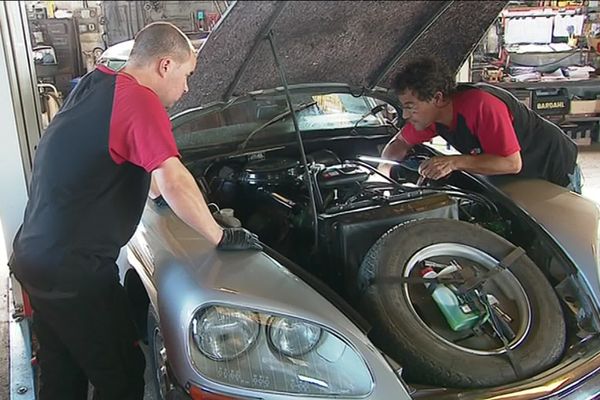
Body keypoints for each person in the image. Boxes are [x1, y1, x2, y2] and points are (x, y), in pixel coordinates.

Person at [9, 22, 261, 400]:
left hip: (35, 256)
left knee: (64, 375)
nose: (187, 88)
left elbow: (135, 164)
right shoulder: (140, 100)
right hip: (76, 272)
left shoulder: (99, 82)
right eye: (187, 75)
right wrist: (221, 234)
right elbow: (173, 179)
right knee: (123, 378)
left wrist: (157, 194)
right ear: (164, 66)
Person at [380, 57, 582, 193]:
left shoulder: (481, 105)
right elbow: (399, 142)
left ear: (437, 98)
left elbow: (511, 163)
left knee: (558, 241)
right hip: (516, 178)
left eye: (410, 106)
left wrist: (453, 162)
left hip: (552, 166)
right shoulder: (432, 116)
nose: (406, 114)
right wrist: (384, 170)